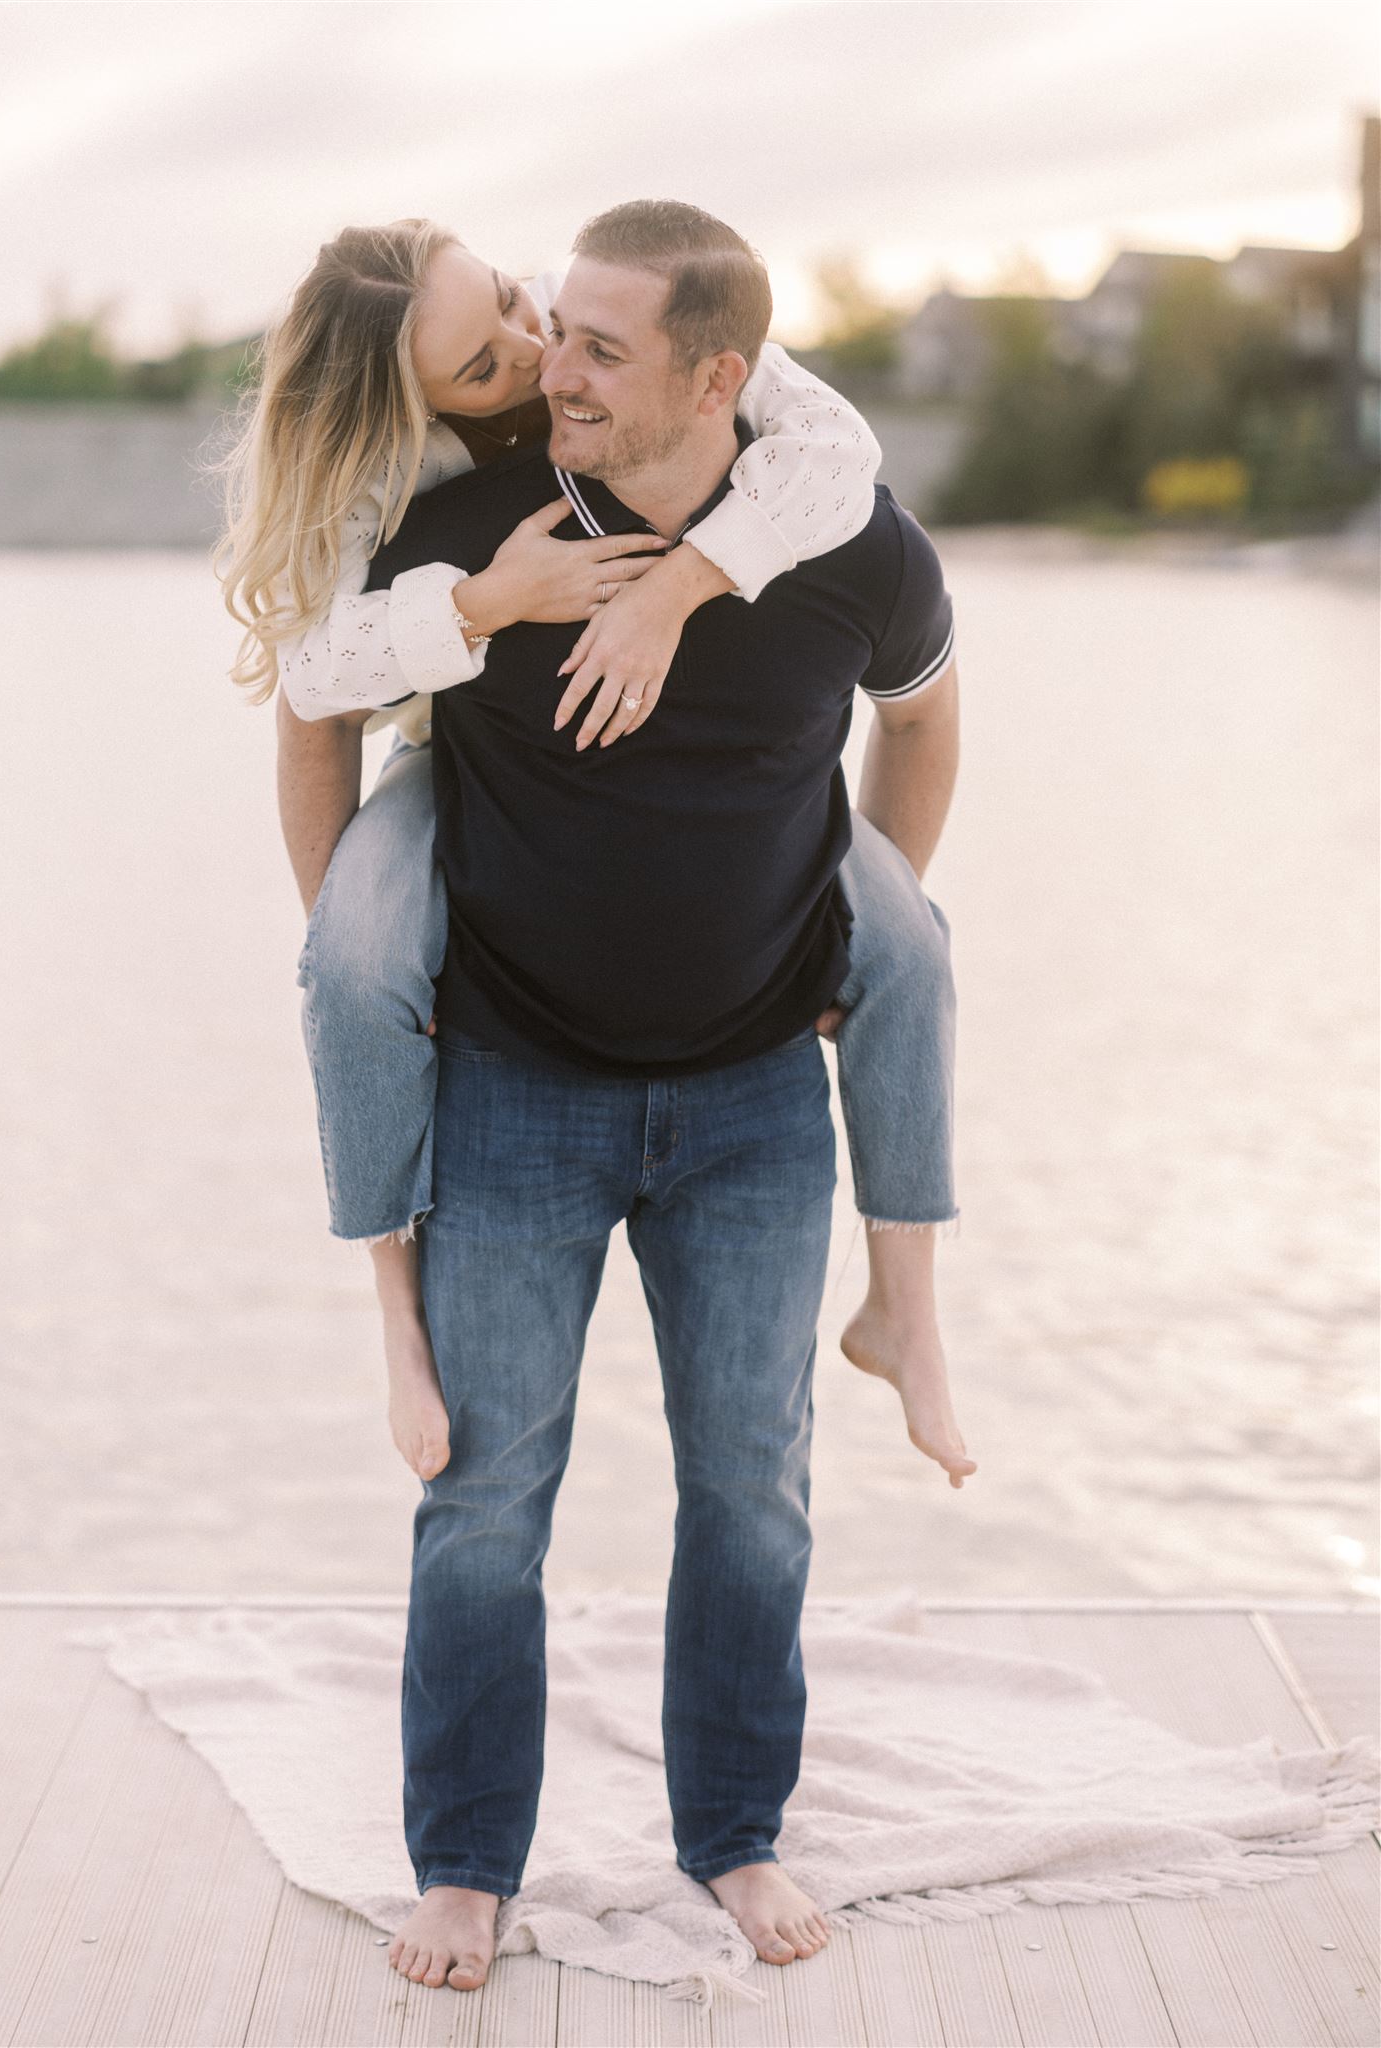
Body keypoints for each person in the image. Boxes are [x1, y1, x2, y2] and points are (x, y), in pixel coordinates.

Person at [306, 200, 967, 1993]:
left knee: (752, 1485)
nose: (548, 371)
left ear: (716, 376)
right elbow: (312, 702)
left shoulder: (845, 542)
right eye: (540, 329)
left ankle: (736, 1833)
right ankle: (463, 1863)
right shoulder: (474, 535)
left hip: (755, 1096)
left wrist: (862, 916)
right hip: (516, 1090)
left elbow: (922, 714)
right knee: (485, 1496)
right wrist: (346, 946)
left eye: (596, 345)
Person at [217, 221, 975, 1507]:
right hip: (437, 741)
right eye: (482, 362)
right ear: (414, 404)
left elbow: (839, 458)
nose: (531, 354)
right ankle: (393, 1313)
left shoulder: (642, 343)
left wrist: (672, 587)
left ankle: (907, 1304)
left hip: (740, 986)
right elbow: (315, 691)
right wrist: (487, 602)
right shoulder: (396, 496)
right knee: (347, 965)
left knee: (908, 942)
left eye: (524, 307)